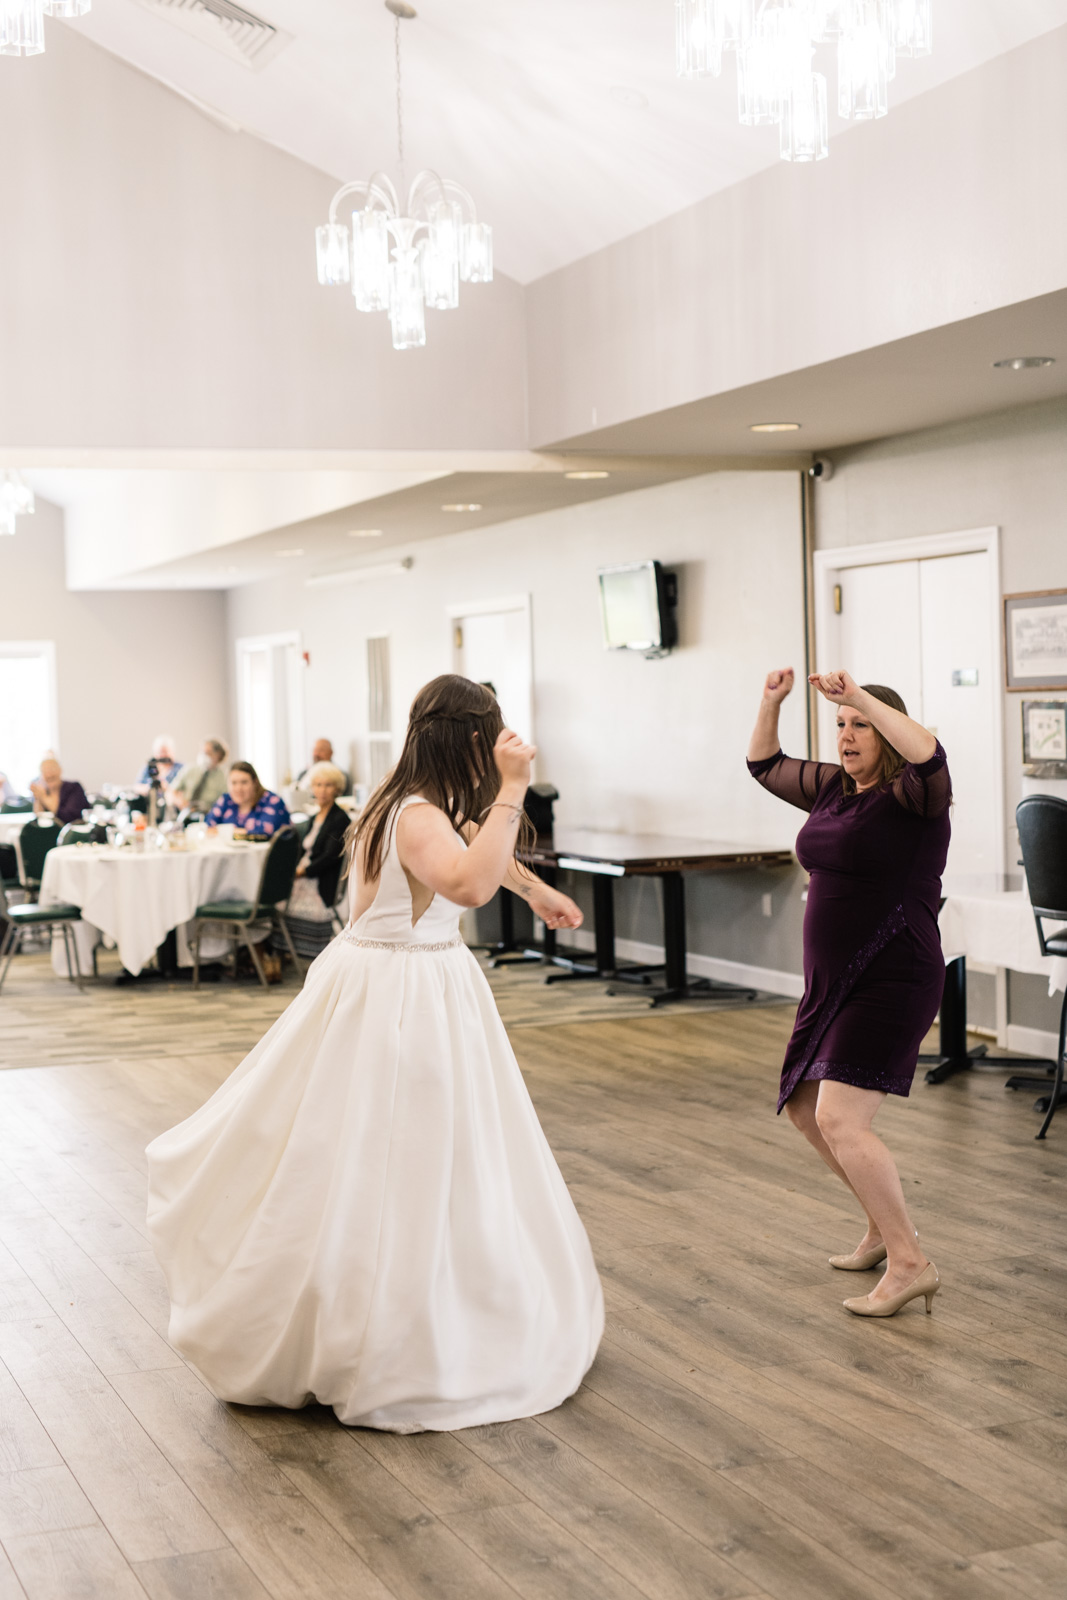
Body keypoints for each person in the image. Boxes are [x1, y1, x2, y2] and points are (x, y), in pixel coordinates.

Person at [146, 674, 603, 1430]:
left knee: (387, 1151)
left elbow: (474, 857)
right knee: (403, 1153)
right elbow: (463, 879)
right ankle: (391, 1328)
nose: (498, 751)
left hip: (383, 977)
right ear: (466, 740)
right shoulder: (420, 810)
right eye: (491, 738)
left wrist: (534, 890)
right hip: (403, 993)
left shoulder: (405, 796)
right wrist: (514, 790)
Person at [747, 666, 951, 1319]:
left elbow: (930, 755)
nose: (846, 734)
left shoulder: (913, 798)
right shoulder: (835, 789)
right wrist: (770, 701)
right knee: (808, 1110)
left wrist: (858, 695)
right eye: (839, 725)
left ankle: (909, 1262)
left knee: (841, 1118)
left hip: (891, 973)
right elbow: (763, 764)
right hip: (831, 981)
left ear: (887, 732)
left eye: (859, 724)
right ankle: (881, 1228)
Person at [272, 761, 349, 961]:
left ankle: (286, 952)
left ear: (337, 789)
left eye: (328, 785)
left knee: (275, 899)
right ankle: (280, 953)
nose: (322, 790)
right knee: (273, 892)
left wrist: (300, 873)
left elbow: (330, 857)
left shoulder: (339, 819)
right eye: (318, 785)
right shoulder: (314, 816)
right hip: (306, 873)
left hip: (320, 880)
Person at [204, 762, 289, 837]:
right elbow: (208, 826)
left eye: (244, 782)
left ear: (255, 783)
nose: (238, 788)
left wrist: (223, 831)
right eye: (234, 783)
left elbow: (263, 833)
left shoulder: (272, 801)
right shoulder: (226, 800)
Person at [167, 739, 229, 814]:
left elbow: (225, 802)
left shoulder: (224, 777)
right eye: (203, 752)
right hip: (186, 813)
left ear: (218, 755)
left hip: (209, 815)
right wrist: (180, 802)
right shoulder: (190, 769)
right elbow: (171, 791)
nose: (204, 755)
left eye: (208, 753)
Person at [30, 757, 89, 826]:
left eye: (51, 769)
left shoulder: (74, 787)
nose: (48, 774)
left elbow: (67, 818)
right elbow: (38, 817)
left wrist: (44, 797)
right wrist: (38, 798)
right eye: (44, 771)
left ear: (60, 770)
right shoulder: (44, 790)